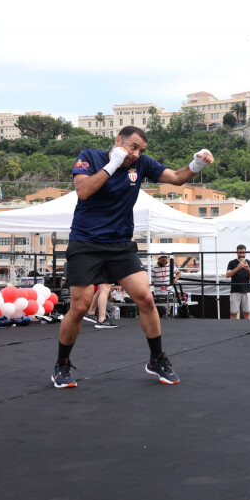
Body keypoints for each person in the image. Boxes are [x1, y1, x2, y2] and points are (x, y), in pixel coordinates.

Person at [51, 125, 213, 388]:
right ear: (118, 141)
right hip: (86, 242)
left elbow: (176, 177)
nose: (136, 154)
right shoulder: (90, 157)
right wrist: (111, 166)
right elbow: (83, 191)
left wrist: (196, 163)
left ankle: (157, 359)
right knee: (79, 307)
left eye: (141, 150)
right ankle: (62, 364)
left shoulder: (142, 164)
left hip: (120, 245)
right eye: (133, 147)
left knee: (146, 298)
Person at [226, 245, 250, 319]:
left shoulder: (249, 262)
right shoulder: (232, 263)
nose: (241, 255)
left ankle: (247, 328)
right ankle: (232, 328)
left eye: (243, 253)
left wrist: (248, 269)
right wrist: (237, 268)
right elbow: (227, 275)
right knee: (233, 312)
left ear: (245, 252)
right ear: (237, 252)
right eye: (239, 253)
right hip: (235, 290)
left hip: (246, 290)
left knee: (247, 312)